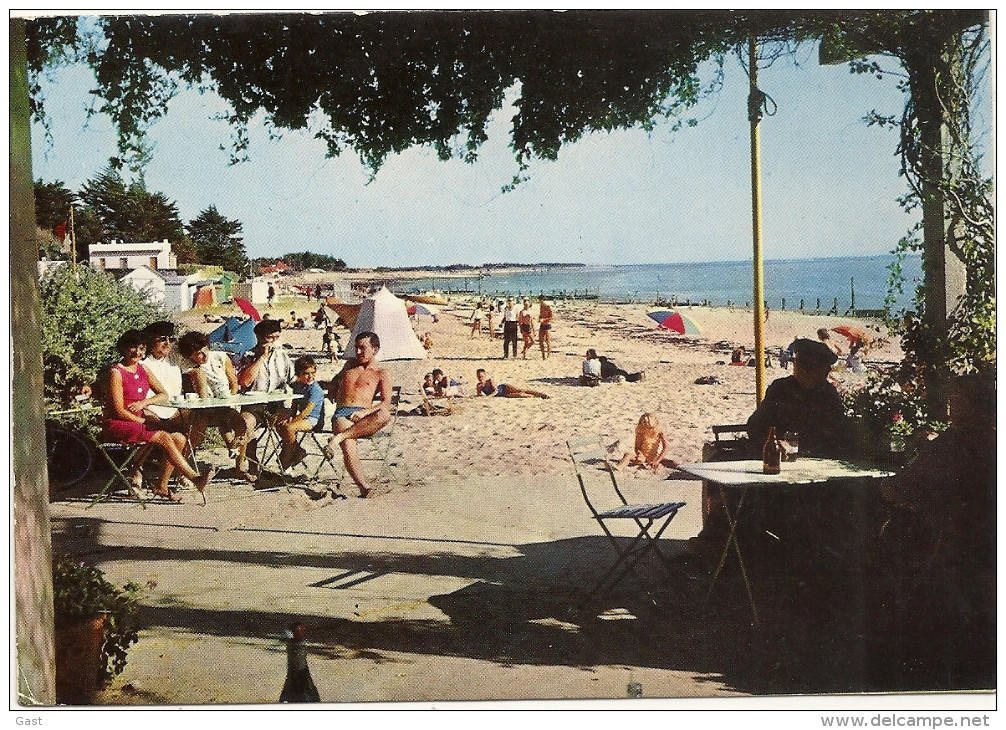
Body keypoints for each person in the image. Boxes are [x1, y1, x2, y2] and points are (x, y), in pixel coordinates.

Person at [101, 330, 214, 502]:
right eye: (133, 348)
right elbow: (118, 410)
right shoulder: (116, 372)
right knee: (163, 436)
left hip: (141, 419)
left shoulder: (143, 369)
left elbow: (163, 394)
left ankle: (162, 485)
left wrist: (144, 403)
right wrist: (143, 420)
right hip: (119, 423)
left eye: (141, 348)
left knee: (179, 438)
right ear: (123, 348)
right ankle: (195, 478)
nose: (137, 353)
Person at [176, 331, 258, 482]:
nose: (203, 356)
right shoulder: (189, 366)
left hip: (224, 405)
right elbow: (199, 394)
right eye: (197, 354)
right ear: (190, 356)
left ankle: (239, 467)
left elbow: (233, 383)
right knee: (197, 432)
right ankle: (181, 470)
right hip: (202, 409)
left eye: (204, 350)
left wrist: (229, 398)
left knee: (241, 425)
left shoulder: (219, 356)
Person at [746, 338, 849, 458]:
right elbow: (755, 425)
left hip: (817, 458)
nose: (802, 370)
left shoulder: (828, 393)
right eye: (799, 363)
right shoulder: (780, 388)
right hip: (781, 457)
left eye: (810, 366)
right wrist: (772, 442)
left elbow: (838, 432)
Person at [322, 332, 393, 498]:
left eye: (363, 348)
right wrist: (333, 385)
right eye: (356, 348)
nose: (358, 352)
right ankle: (364, 487)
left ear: (375, 350)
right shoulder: (349, 365)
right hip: (343, 414)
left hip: (365, 416)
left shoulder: (382, 373)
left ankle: (336, 439)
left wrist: (364, 413)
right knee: (348, 444)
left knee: (384, 414)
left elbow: (385, 402)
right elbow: (337, 379)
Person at [238, 319, 297, 476]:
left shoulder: (283, 356)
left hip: (277, 404)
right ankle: (252, 463)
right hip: (254, 404)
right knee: (246, 423)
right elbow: (244, 381)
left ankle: (287, 461)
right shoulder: (248, 355)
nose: (273, 341)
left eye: (276, 337)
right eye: (270, 337)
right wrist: (261, 359)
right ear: (259, 337)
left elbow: (293, 379)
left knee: (287, 425)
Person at [277, 356, 326, 471]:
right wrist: (290, 417)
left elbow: (307, 411)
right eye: (306, 374)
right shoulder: (298, 386)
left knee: (289, 428)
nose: (310, 377)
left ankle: (288, 456)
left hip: (314, 419)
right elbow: (294, 404)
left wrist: (293, 422)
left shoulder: (315, 390)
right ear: (299, 374)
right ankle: (298, 450)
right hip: (302, 417)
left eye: (313, 373)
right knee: (279, 423)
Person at [140, 321, 189, 434]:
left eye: (171, 340)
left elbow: (197, 368)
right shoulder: (142, 363)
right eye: (162, 339)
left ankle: (186, 452)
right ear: (151, 340)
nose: (167, 343)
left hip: (174, 411)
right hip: (152, 412)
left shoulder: (175, 358)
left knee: (199, 416)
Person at [612, 413, 677, 471]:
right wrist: (639, 454)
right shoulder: (641, 432)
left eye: (646, 423)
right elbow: (637, 447)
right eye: (643, 423)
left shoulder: (659, 432)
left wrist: (657, 460)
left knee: (673, 462)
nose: (644, 425)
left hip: (654, 457)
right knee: (628, 455)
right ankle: (619, 467)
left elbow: (666, 448)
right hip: (643, 457)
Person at [474, 368, 549, 399]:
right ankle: (536, 397)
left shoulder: (490, 381)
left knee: (520, 390)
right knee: (520, 395)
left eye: (481, 376)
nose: (480, 378)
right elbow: (479, 394)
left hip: (503, 388)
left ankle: (541, 394)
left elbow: (495, 390)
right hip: (502, 395)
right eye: (478, 377)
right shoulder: (479, 385)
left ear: (485, 375)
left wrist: (489, 397)